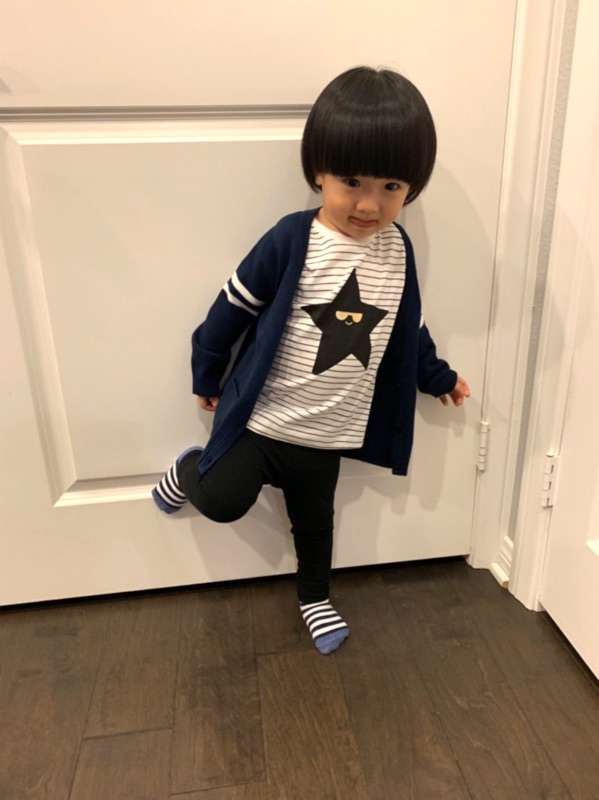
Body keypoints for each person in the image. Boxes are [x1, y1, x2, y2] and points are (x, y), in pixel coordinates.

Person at [153, 66, 470, 655]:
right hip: (264, 422)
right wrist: (207, 371)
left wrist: (437, 376)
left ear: (411, 188)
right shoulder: (292, 239)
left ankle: (315, 597)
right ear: (318, 171)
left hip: (328, 435)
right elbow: (230, 309)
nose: (369, 204)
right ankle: (188, 468)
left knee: (316, 525)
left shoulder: (398, 251)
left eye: (391, 186)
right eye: (351, 181)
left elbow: (407, 329)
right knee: (222, 501)